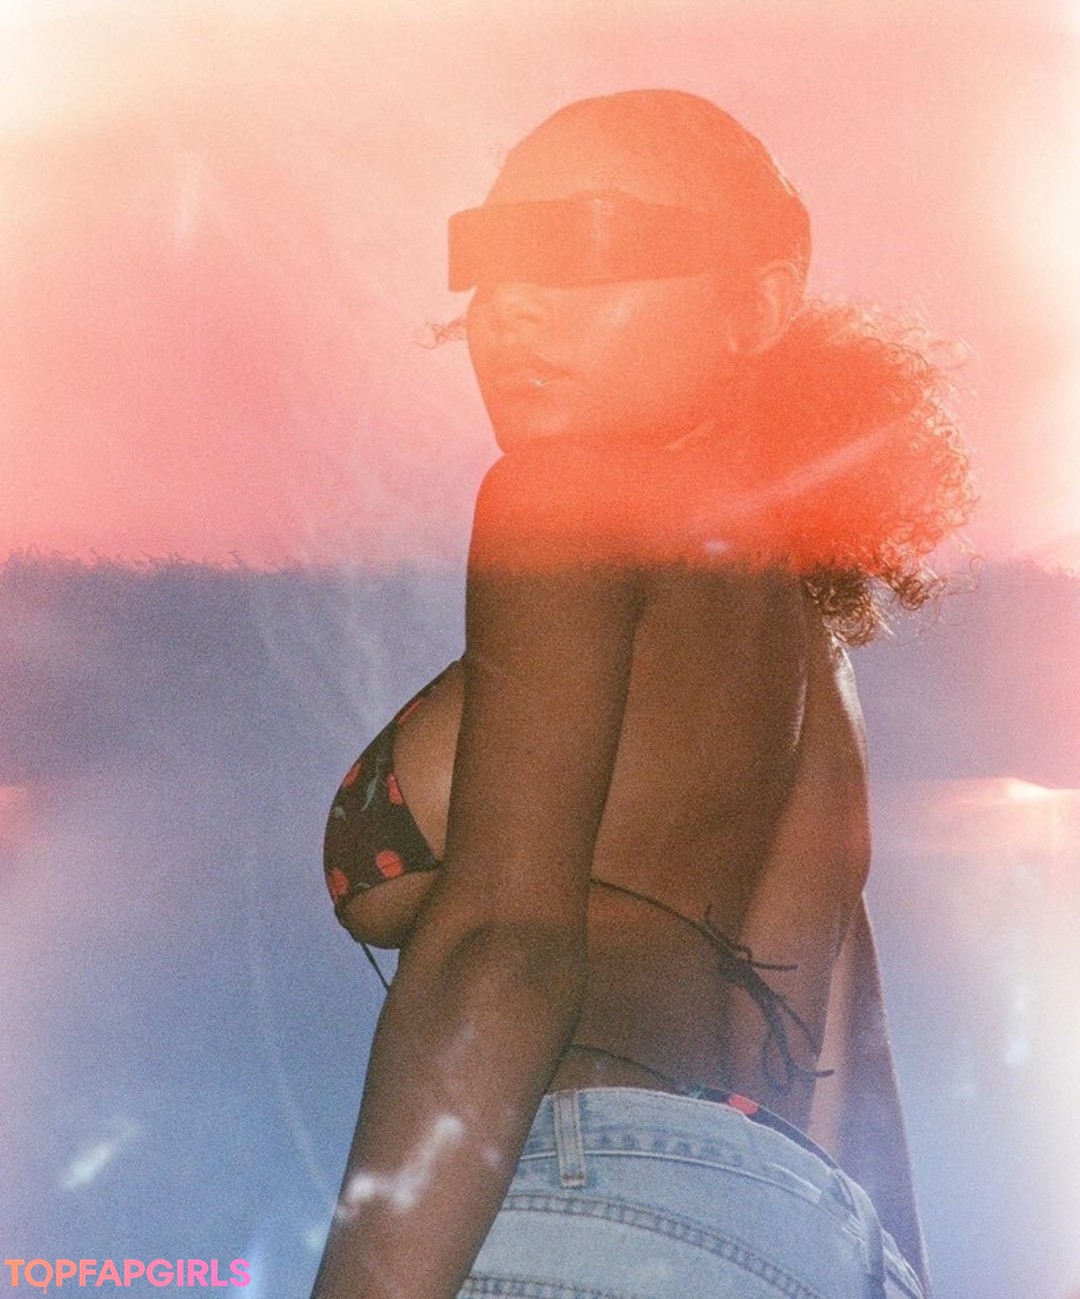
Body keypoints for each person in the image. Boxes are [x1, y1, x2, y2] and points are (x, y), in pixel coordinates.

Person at [312, 89, 973, 1299]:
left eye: (590, 243)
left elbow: (506, 945)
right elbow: (841, 1073)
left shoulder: (562, 497)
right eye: (491, 257)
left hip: (593, 1193)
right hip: (799, 1237)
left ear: (755, 305)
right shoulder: (814, 652)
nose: (512, 303)